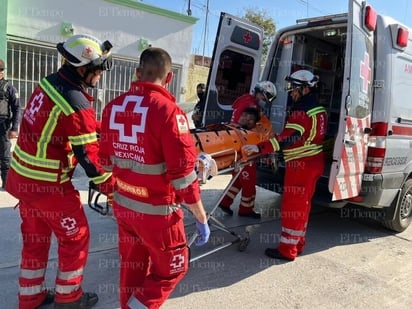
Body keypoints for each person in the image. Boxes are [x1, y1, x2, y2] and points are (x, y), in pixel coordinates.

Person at [5, 34, 116, 308]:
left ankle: (30, 299)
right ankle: (68, 299)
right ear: (82, 68)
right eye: (98, 69)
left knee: (35, 241)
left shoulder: (48, 83)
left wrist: (102, 127)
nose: (100, 74)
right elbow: (89, 160)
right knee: (75, 237)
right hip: (49, 187)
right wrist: (112, 188)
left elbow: (63, 125)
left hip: (22, 180)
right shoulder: (76, 102)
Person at [98, 47, 210, 309]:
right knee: (173, 268)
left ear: (137, 73)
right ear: (169, 78)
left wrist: (113, 193)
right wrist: (201, 216)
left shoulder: (112, 108)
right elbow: (182, 176)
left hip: (125, 209)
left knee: (132, 271)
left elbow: (103, 162)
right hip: (158, 216)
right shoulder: (169, 112)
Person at [243, 69, 327, 261]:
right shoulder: (318, 109)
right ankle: (298, 244)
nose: (290, 92)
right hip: (314, 162)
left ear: (306, 89)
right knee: (303, 206)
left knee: (293, 207)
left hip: (301, 165)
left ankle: (287, 250)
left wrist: (260, 148)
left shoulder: (301, 111)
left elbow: (288, 138)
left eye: (294, 88)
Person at [218, 107, 263, 218]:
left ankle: (225, 202)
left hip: (237, 163)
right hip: (246, 164)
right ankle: (246, 210)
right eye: (245, 117)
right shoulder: (248, 134)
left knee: (236, 183)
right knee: (249, 188)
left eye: (250, 119)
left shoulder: (234, 130)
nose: (246, 120)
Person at [0, 58, 20, 189]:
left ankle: (6, 185)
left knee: (5, 157)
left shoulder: (9, 88)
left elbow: (17, 108)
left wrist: (14, 127)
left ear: (2, 72)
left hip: (3, 125)